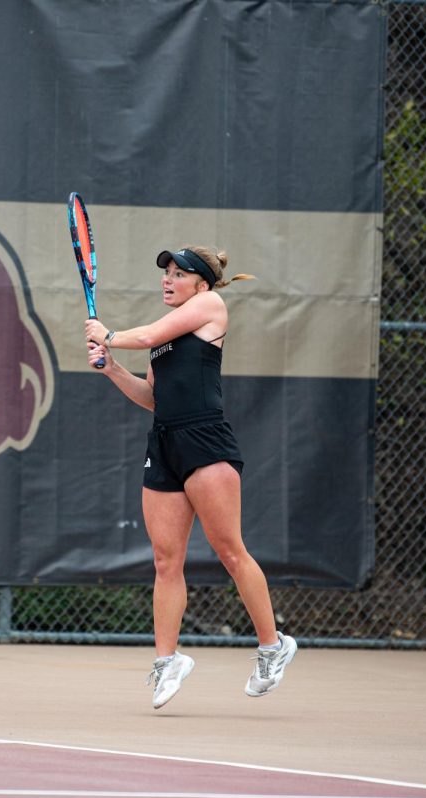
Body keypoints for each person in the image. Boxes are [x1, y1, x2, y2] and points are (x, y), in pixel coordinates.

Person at [84, 245, 297, 709]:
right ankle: (168, 661)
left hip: (205, 441)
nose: (168, 280)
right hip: (164, 444)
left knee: (229, 550)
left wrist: (111, 334)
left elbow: (140, 336)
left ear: (201, 284)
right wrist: (112, 368)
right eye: (166, 273)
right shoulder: (163, 338)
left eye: (178, 274)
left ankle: (272, 645)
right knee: (165, 561)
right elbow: (153, 397)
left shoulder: (210, 306)